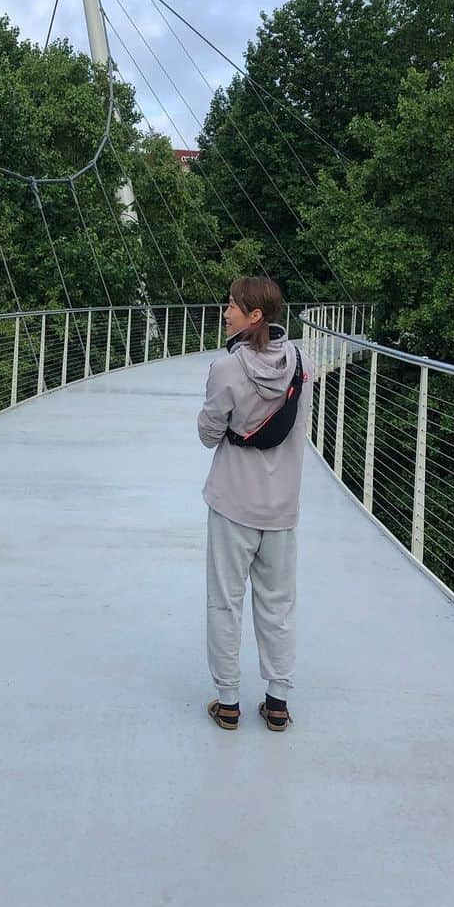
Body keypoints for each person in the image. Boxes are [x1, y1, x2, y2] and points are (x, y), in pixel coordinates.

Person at [197, 277, 311, 732]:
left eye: (232, 307)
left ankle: (228, 703)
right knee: (278, 604)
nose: (225, 314)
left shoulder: (225, 369)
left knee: (225, 602)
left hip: (232, 504)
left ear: (255, 316)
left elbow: (208, 434)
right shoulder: (303, 362)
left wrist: (227, 425)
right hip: (282, 507)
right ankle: (278, 702)